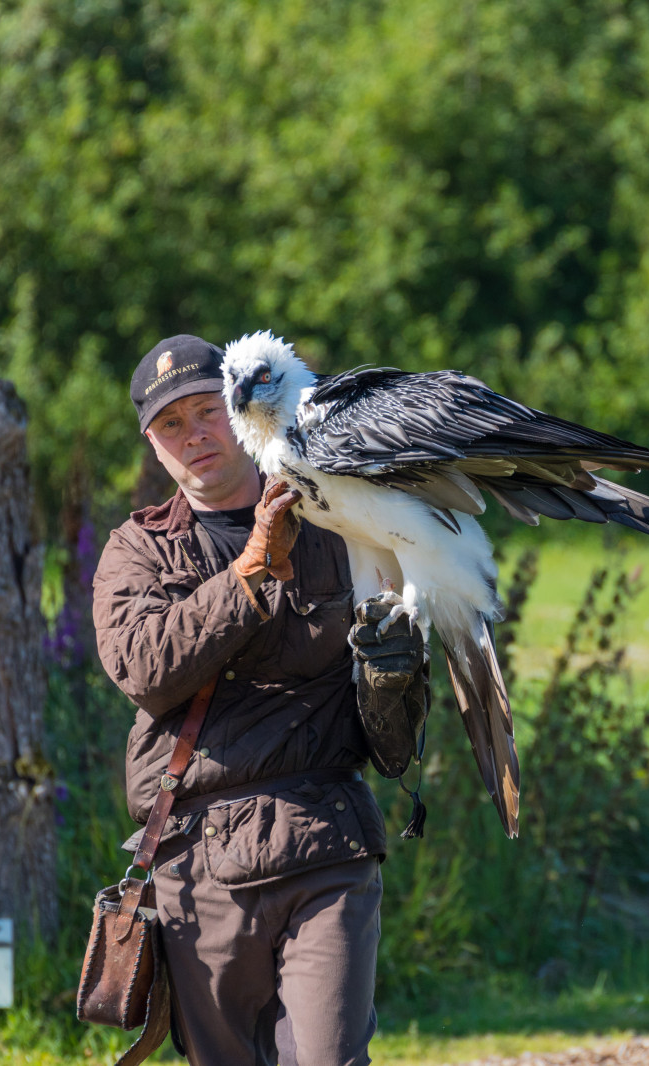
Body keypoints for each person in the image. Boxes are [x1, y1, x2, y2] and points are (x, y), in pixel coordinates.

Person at [91, 334, 427, 1066]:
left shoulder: (338, 523)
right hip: (198, 863)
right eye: (170, 424)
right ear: (152, 446)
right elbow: (148, 670)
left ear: (243, 409)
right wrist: (249, 573)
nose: (194, 435)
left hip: (326, 841)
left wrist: (396, 679)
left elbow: (395, 744)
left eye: (207, 410)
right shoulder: (137, 551)